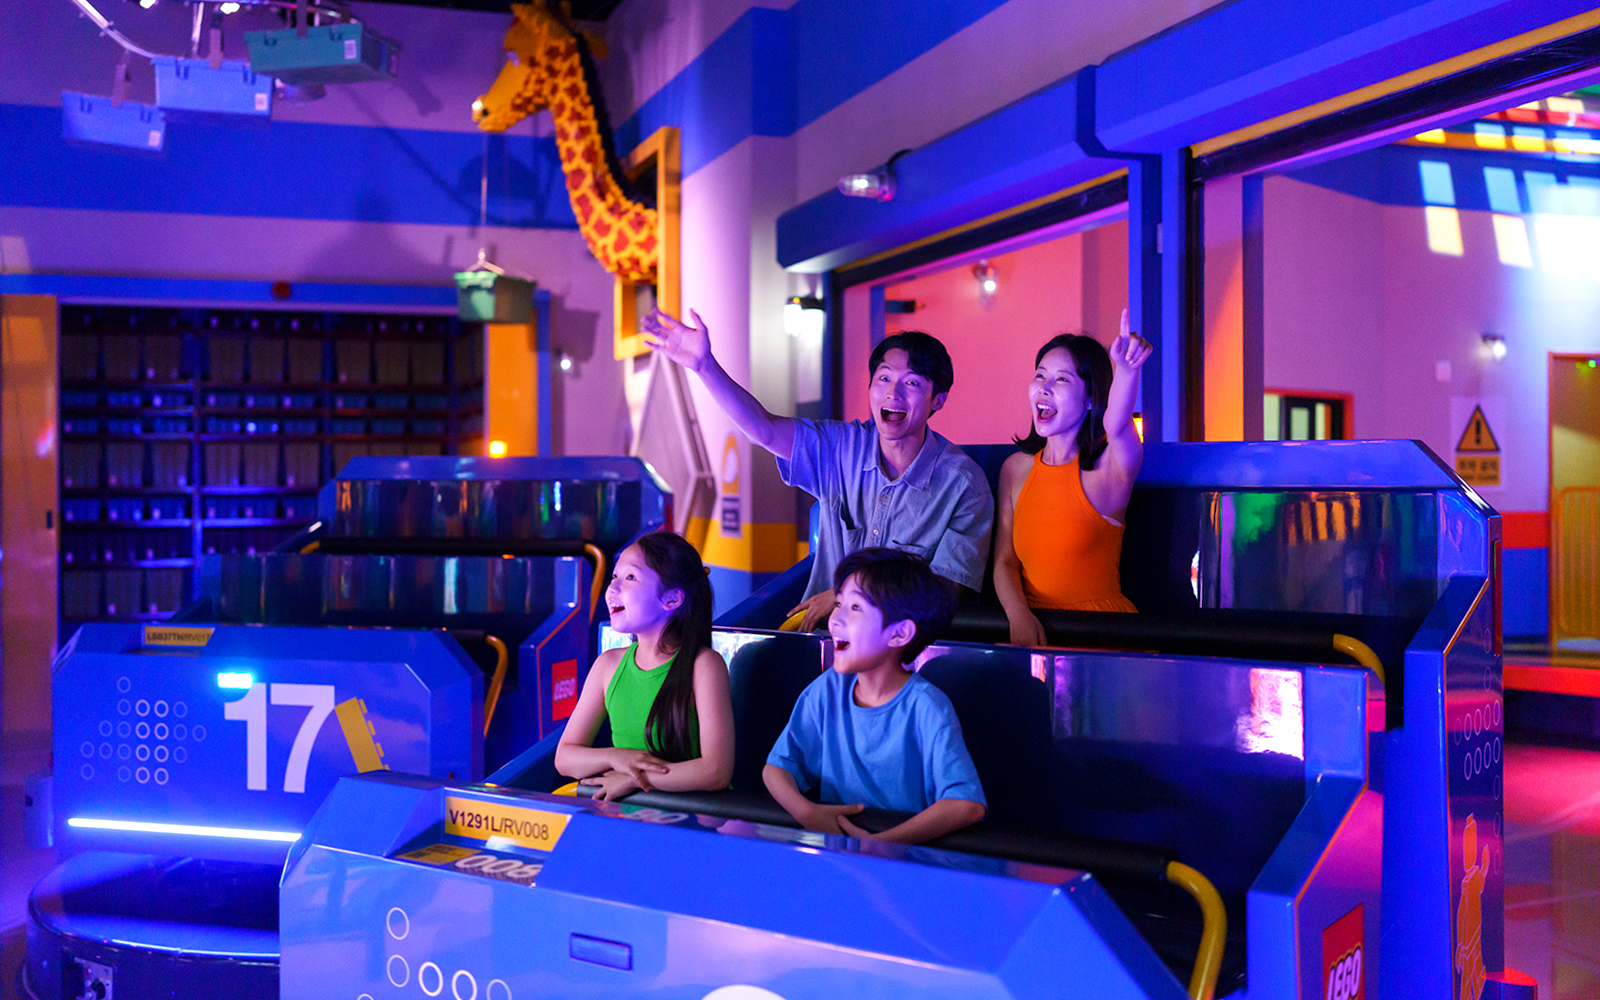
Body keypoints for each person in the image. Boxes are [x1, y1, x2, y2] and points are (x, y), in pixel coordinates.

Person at [643, 308, 994, 631]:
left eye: (913, 383)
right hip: (822, 640)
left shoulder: (963, 484)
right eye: (884, 379)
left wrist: (847, 595)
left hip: (905, 649)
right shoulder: (840, 447)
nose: (894, 394)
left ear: (938, 400)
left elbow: (947, 590)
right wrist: (705, 365)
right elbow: (762, 428)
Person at [763, 548, 986, 844]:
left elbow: (965, 804)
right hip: (838, 854)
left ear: (899, 634)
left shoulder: (927, 707)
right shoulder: (827, 689)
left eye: (855, 608)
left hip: (903, 866)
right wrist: (807, 812)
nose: (836, 618)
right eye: (839, 603)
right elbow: (777, 768)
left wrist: (882, 846)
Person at [993, 310, 1153, 647]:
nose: (1045, 388)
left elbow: (1117, 424)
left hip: (1103, 635)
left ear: (1091, 397)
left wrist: (1125, 372)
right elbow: (1005, 562)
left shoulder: (1111, 468)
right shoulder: (1015, 469)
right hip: (1033, 631)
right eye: (1040, 375)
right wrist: (1018, 614)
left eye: (1062, 379)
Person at [555, 531, 735, 800]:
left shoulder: (704, 666)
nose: (613, 589)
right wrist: (618, 758)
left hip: (695, 823)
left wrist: (634, 779)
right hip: (630, 820)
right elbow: (565, 757)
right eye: (615, 576)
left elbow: (716, 771)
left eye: (630, 577)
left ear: (672, 599)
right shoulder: (608, 666)